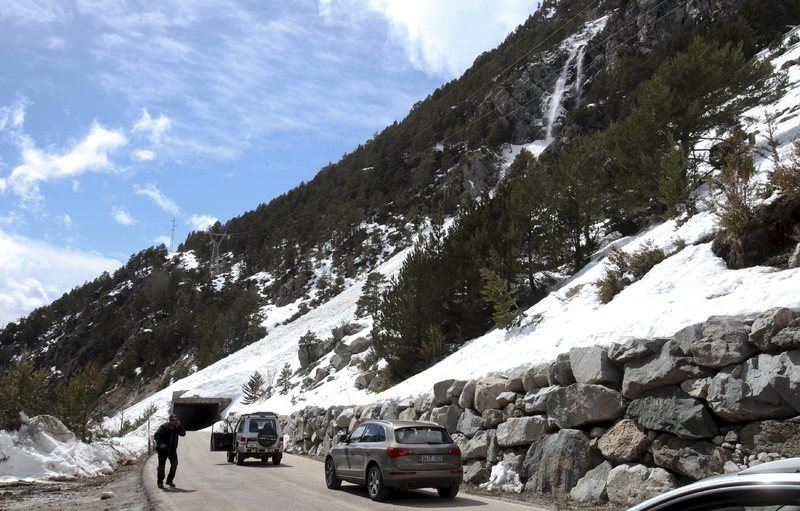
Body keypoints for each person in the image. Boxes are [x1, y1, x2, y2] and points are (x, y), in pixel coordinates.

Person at [153, 414, 186, 489]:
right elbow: (156, 435)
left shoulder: (177, 427)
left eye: (176, 420)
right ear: (170, 421)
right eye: (173, 420)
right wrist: (160, 444)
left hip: (172, 450)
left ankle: (169, 480)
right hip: (163, 450)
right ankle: (160, 482)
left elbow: (183, 434)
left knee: (174, 464)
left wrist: (180, 426)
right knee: (161, 466)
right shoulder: (164, 427)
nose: (175, 422)